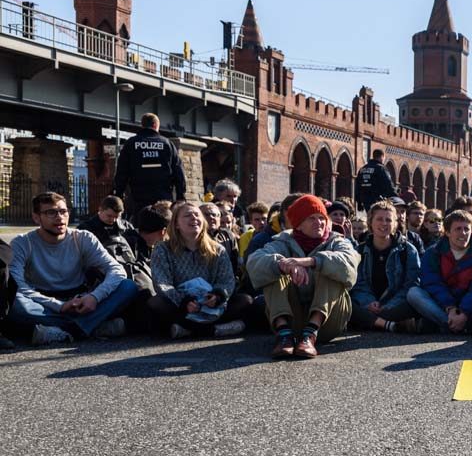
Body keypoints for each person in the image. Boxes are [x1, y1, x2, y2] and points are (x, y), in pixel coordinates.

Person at [9, 192, 138, 345]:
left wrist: (95, 297)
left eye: (63, 211)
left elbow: (116, 270)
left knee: (128, 286)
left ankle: (63, 331)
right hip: (43, 303)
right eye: (51, 212)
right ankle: (92, 327)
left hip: (82, 300)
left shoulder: (83, 237)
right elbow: (17, 285)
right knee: (14, 301)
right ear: (36, 217)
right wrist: (59, 306)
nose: (59, 217)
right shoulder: (23, 243)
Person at [246, 195, 360, 359]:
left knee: (331, 268)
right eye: (311, 218)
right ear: (298, 223)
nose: (319, 222)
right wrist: (284, 265)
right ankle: (284, 335)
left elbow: (349, 263)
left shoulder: (336, 240)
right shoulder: (284, 241)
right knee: (272, 269)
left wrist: (311, 261)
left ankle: (310, 334)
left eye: (321, 218)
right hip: (293, 320)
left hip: (328, 323)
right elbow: (254, 262)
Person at [146, 202, 252, 339]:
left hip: (211, 305)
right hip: (183, 306)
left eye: (197, 215)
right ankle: (214, 330)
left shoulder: (217, 249)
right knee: (155, 303)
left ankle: (189, 330)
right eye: (188, 215)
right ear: (176, 224)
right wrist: (184, 302)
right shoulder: (163, 249)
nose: (194, 218)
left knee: (245, 301)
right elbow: (162, 283)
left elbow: (226, 280)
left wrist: (217, 296)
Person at [407, 210, 472, 335]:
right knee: (413, 293)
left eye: (467, 229)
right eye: (458, 229)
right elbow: (432, 283)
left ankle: (449, 325)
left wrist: (465, 312)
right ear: (448, 232)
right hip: (444, 306)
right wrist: (450, 307)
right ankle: (461, 326)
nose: (463, 233)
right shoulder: (433, 253)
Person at [350, 201, 420, 333]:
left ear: (395, 224)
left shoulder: (408, 250)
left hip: (396, 305)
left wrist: (388, 306)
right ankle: (389, 325)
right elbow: (358, 283)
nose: (384, 223)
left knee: (414, 304)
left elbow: (411, 284)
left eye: (388, 220)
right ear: (370, 222)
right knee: (347, 304)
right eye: (379, 219)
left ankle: (372, 322)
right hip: (368, 304)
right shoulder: (359, 250)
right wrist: (369, 303)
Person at [113, 113, 186, 216]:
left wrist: (119, 194)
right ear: (156, 125)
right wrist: (180, 196)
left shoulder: (131, 143)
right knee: (163, 225)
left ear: (142, 125)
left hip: (138, 198)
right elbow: (179, 171)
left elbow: (121, 172)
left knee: (141, 227)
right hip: (163, 198)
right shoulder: (167, 144)